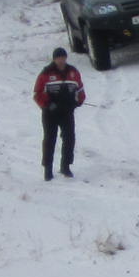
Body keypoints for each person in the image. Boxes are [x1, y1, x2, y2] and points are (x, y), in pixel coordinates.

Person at [34, 48, 85, 180]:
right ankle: (48, 169)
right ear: (54, 59)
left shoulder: (73, 72)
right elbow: (37, 94)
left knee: (69, 138)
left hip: (67, 112)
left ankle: (65, 166)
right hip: (50, 113)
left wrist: (78, 102)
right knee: (50, 139)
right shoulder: (46, 73)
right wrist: (48, 105)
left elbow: (80, 89)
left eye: (63, 57)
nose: (61, 60)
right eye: (58, 58)